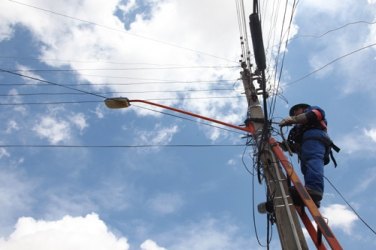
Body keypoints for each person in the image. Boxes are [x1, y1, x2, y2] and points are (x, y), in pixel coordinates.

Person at [279, 103, 332, 207]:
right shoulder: (296, 129)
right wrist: (283, 145)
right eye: (293, 113)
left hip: (314, 138)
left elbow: (315, 114)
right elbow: (294, 146)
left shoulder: (312, 110)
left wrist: (293, 119)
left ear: (303, 109)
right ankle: (312, 197)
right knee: (306, 169)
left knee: (313, 161)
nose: (294, 113)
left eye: (296, 110)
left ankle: (314, 189)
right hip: (304, 148)